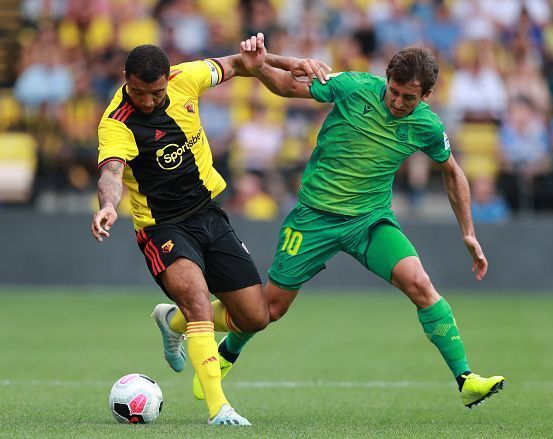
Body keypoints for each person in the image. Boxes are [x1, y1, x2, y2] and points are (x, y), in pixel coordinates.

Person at [191, 33, 504, 409]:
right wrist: (259, 70)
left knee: (420, 285)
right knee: (267, 311)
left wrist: (468, 233)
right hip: (314, 218)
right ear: (386, 80)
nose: (399, 102)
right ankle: (216, 345)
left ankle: (465, 379)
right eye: (394, 92)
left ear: (426, 97)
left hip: (370, 221)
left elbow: (452, 173)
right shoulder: (354, 86)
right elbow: (289, 87)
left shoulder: (427, 127)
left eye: (410, 98)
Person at [90, 43, 330, 425]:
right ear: (125, 81)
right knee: (198, 300)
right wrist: (107, 205)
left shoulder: (188, 78)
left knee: (256, 316)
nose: (149, 102)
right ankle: (220, 408)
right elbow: (112, 173)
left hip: (209, 215)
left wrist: (291, 62)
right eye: (139, 93)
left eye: (156, 92)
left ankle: (173, 323)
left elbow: (241, 62)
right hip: (162, 227)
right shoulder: (116, 122)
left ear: (169, 79)